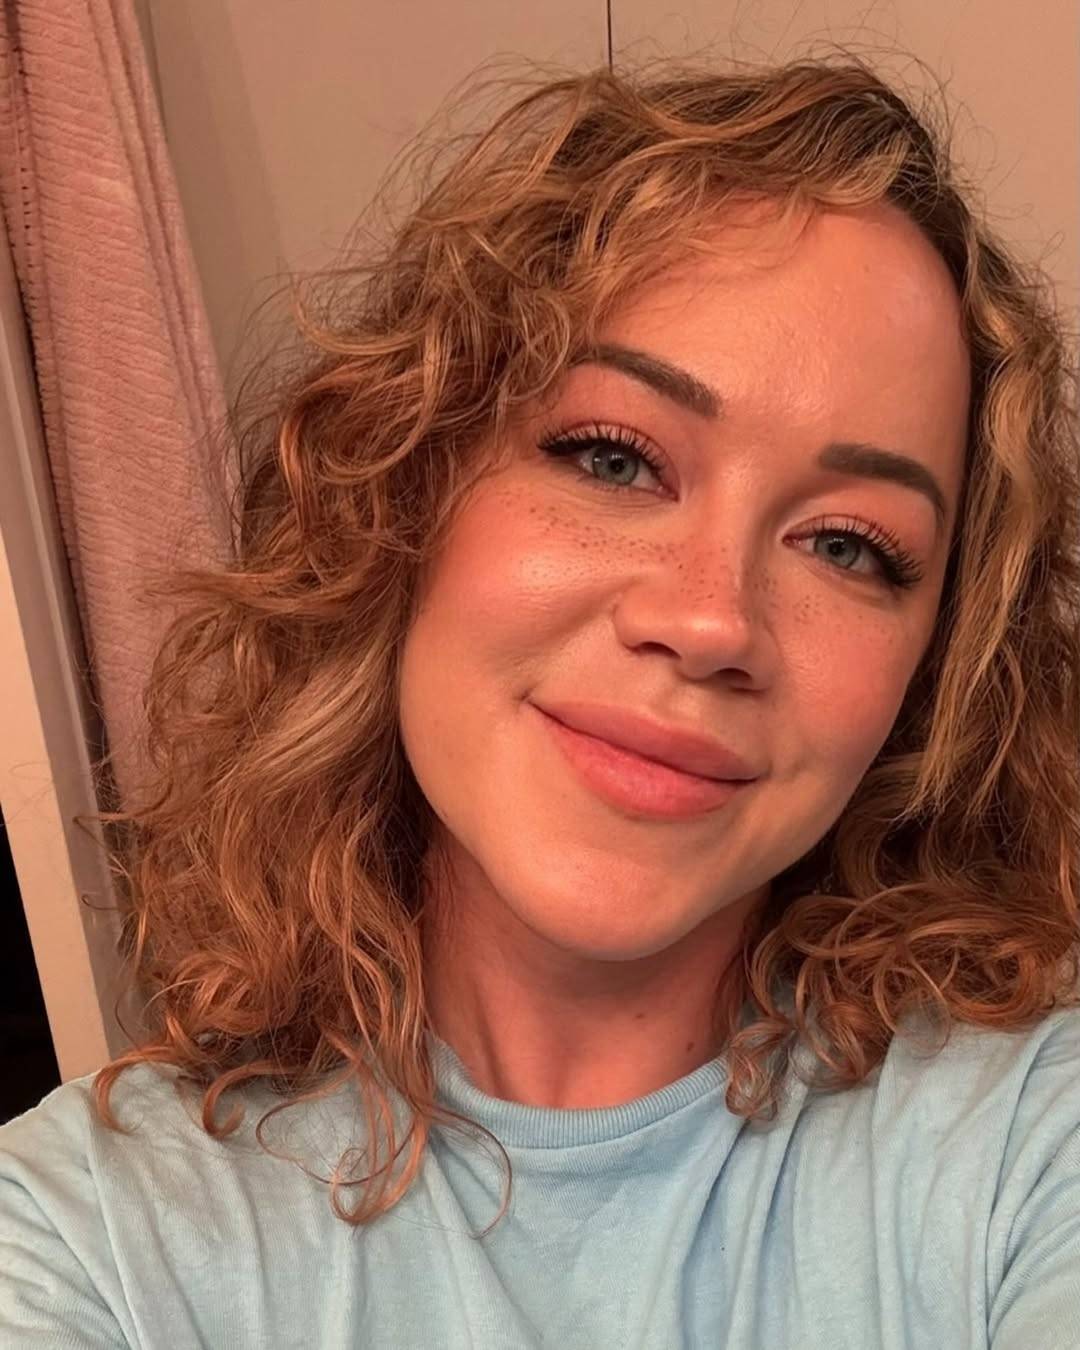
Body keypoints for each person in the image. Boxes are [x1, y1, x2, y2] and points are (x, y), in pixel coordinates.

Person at [2, 50, 1079, 1349]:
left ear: (931, 674)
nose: (713, 621)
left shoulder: (1032, 1149)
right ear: (406, 490)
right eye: (613, 458)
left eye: (850, 544)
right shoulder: (86, 1240)